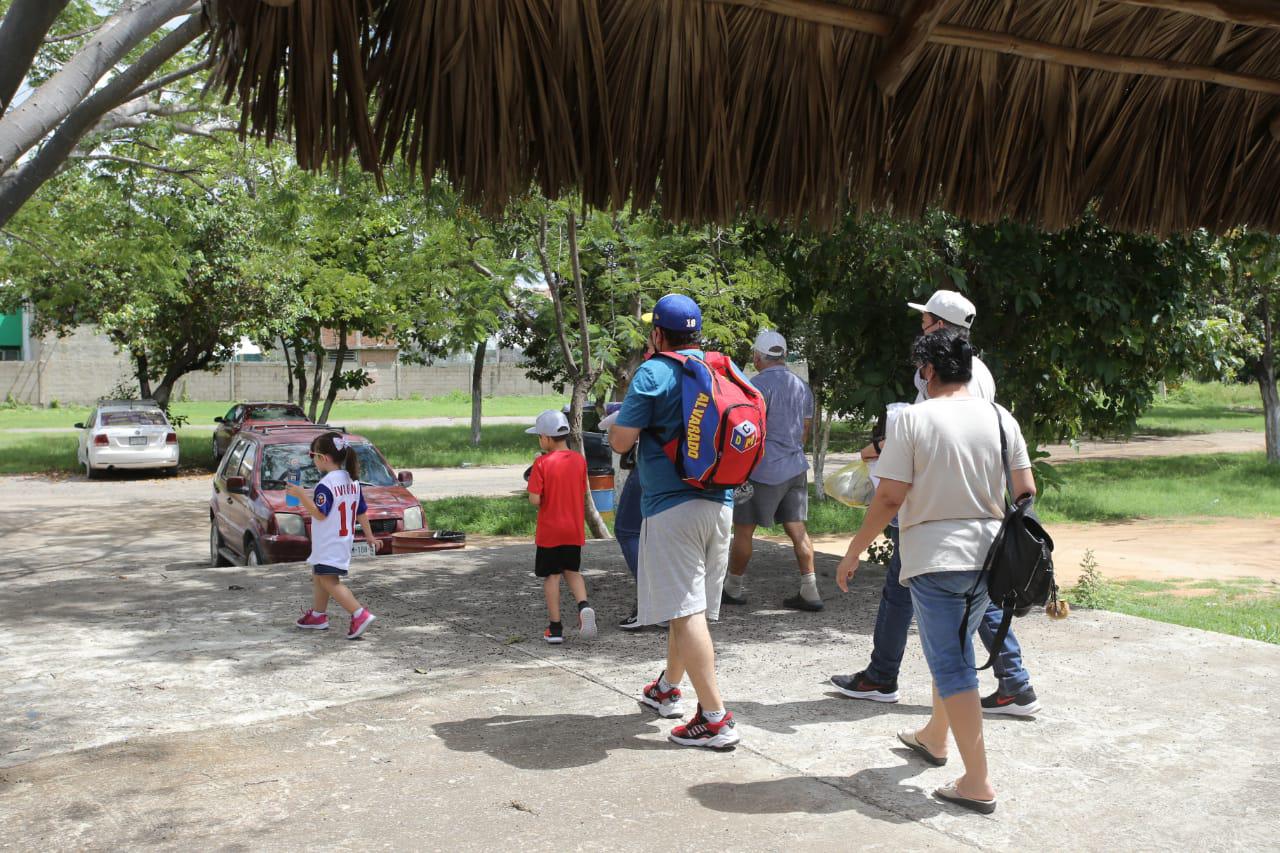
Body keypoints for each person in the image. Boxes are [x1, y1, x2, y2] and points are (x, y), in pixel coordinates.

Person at [835, 329, 1035, 814]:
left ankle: (977, 781)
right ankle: (934, 735)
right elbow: (1025, 490)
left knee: (951, 664)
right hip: (990, 558)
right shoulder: (1000, 416)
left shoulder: (912, 419)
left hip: (935, 558)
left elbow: (889, 496)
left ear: (928, 370)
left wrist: (854, 550)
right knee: (956, 648)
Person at [609, 293, 741, 749]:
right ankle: (667, 688)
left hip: (672, 506)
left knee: (686, 613)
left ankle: (716, 719)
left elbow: (622, 442)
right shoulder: (720, 367)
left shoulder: (654, 371)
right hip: (721, 503)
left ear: (657, 334)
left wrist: (619, 423)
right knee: (686, 607)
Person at [722, 330, 819, 611]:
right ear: (784, 355)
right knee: (798, 530)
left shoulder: (754, 387)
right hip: (795, 468)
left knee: (744, 530)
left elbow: (746, 432)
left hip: (761, 471)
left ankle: (733, 588)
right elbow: (804, 432)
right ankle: (810, 591)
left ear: (757, 357)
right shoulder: (802, 387)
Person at [289, 432, 379, 640]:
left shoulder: (326, 485)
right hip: (341, 541)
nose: (312, 459)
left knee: (330, 581)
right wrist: (370, 536)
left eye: (312, 455)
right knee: (319, 574)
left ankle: (359, 614)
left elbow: (319, 514)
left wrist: (301, 495)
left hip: (329, 542)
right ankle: (318, 615)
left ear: (324, 458)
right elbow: (361, 511)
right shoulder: (352, 481)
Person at [526, 409, 598, 645]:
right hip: (573, 529)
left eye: (539, 436)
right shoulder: (579, 461)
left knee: (552, 577)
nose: (539, 440)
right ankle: (584, 606)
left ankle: (555, 628)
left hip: (550, 532)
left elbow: (535, 499)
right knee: (572, 571)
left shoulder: (541, 463)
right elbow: (580, 491)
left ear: (547, 438)